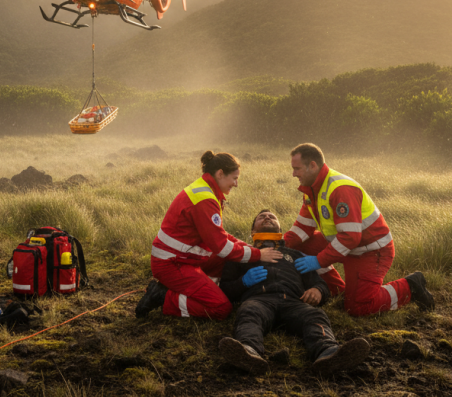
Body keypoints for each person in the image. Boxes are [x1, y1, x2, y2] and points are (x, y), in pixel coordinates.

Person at [284, 143, 434, 317]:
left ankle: (410, 286)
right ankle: (336, 290)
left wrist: (318, 261)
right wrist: (276, 244)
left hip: (370, 251)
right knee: (298, 246)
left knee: (358, 308)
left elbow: (350, 237)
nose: (293, 174)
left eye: (297, 168)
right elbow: (303, 228)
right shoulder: (312, 190)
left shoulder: (340, 189)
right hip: (346, 246)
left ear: (312, 165)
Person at [218, 210, 371, 375]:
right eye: (261, 217)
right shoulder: (241, 255)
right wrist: (243, 282)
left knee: (315, 315)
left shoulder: (294, 255)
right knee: (249, 312)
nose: (267, 217)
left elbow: (319, 283)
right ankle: (249, 353)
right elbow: (225, 290)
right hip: (259, 301)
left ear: (280, 230)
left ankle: (328, 353)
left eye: (272, 216)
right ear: (253, 231)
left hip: (294, 302)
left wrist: (318, 291)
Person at [135, 151, 283, 319]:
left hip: (181, 258)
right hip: (172, 264)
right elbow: (222, 247)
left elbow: (219, 234)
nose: (236, 184)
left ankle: (201, 289)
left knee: (227, 260)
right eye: (234, 178)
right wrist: (257, 254)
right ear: (220, 174)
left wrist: (246, 247)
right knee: (221, 308)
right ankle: (164, 297)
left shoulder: (206, 191)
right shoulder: (205, 199)